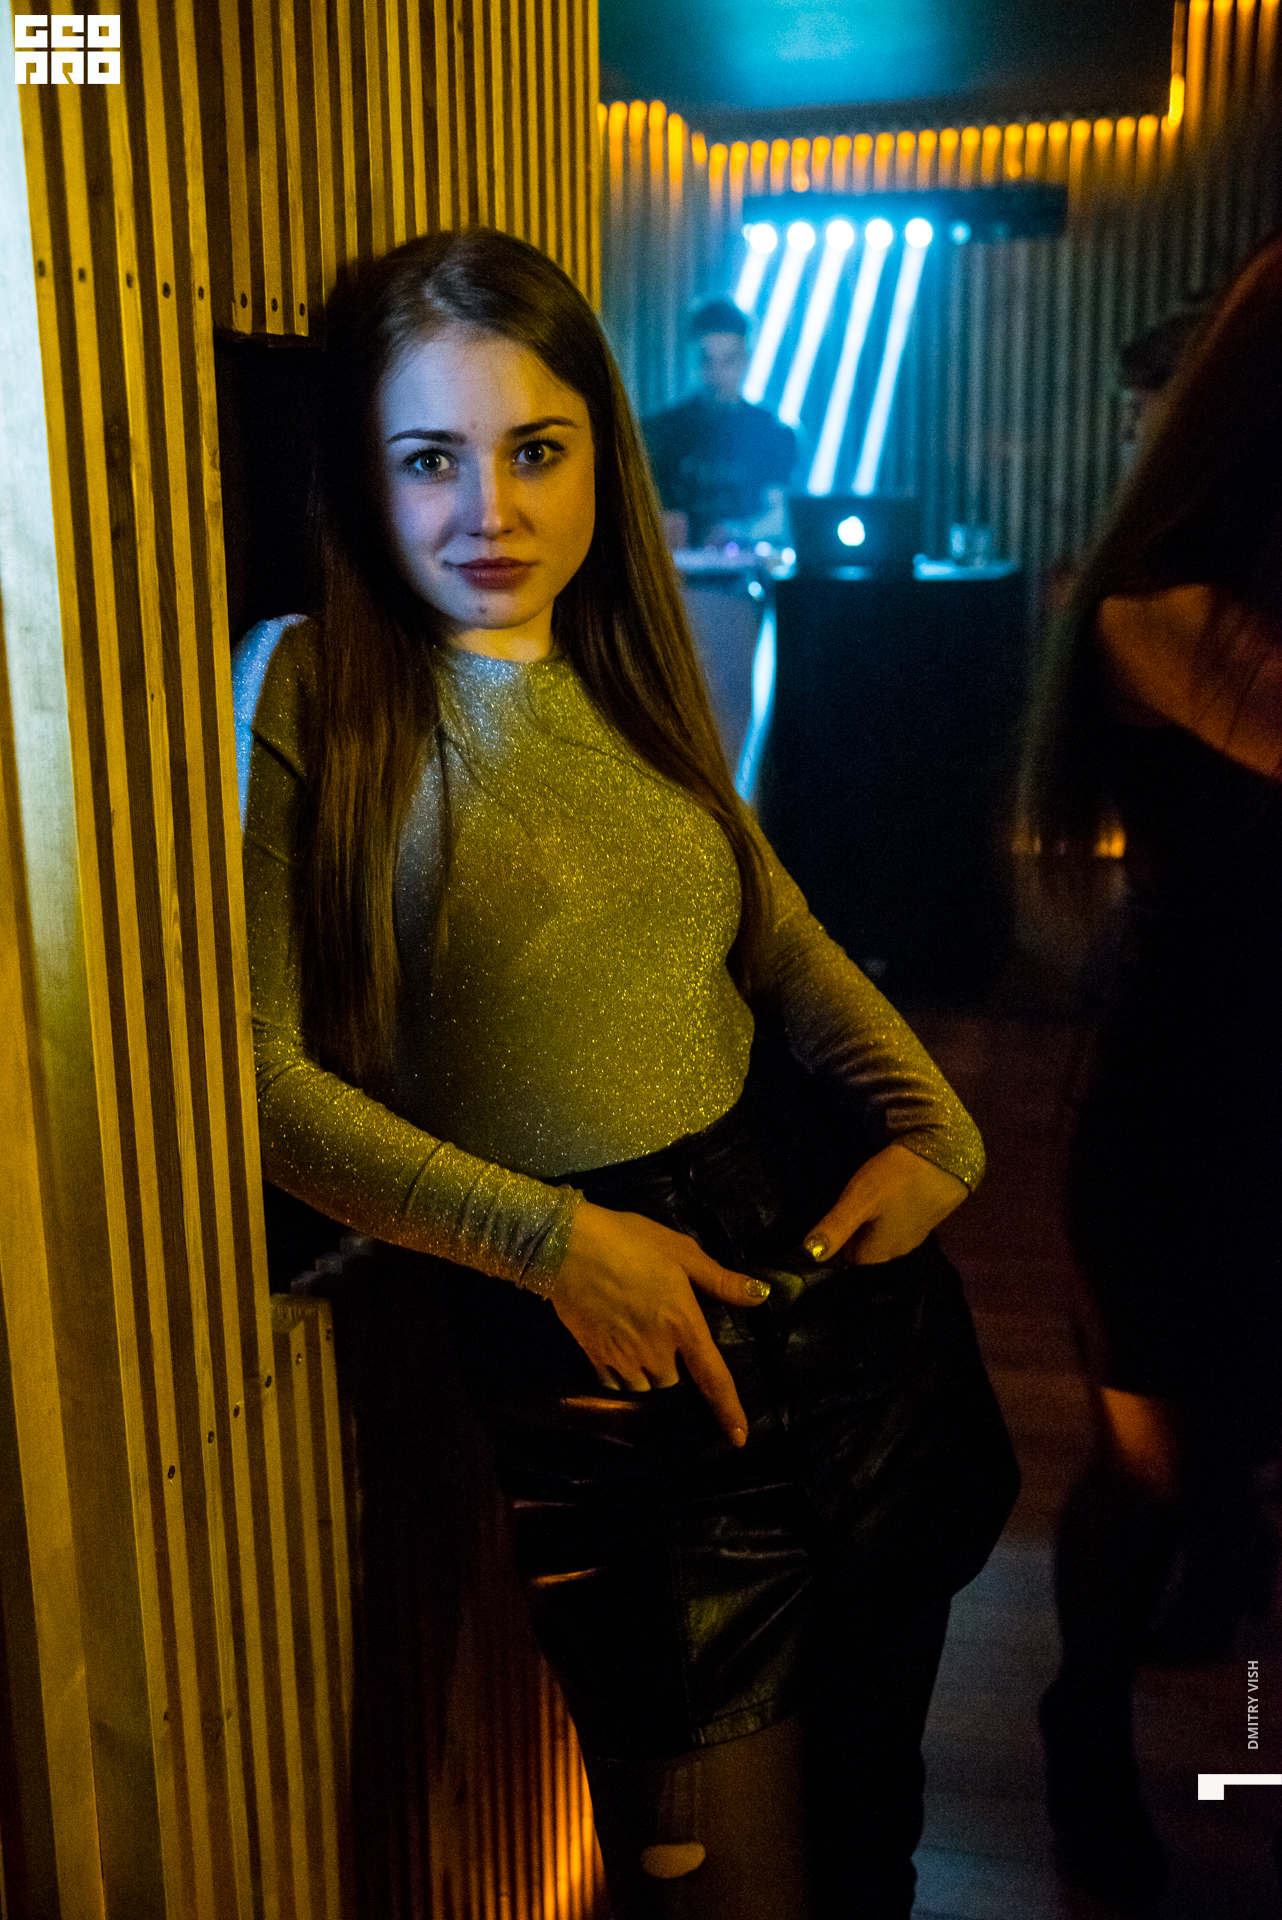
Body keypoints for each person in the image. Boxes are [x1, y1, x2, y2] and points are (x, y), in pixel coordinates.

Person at [241, 227, 1017, 1920]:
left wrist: (934, 1123)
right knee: (714, 1887)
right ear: (364, 476)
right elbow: (253, 1078)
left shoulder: (634, 657)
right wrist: (549, 1245)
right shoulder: (307, 683)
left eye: (535, 450)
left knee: (869, 1853)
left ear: (602, 449)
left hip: (838, 1304)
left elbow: (775, 929)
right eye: (430, 460)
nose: (490, 511)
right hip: (608, 1365)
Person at [1018, 232, 1282, 1907]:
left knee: (1224, 1466)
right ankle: (1081, 1725)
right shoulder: (1151, 614)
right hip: (1193, 1120)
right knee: (1152, 1470)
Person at [643, 298, 796, 551]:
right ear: (690, 359)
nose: (716, 373)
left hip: (748, 569)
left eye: (729, 360)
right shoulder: (656, 432)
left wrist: (739, 532)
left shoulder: (774, 432)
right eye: (706, 360)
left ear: (746, 359)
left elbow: (785, 518)